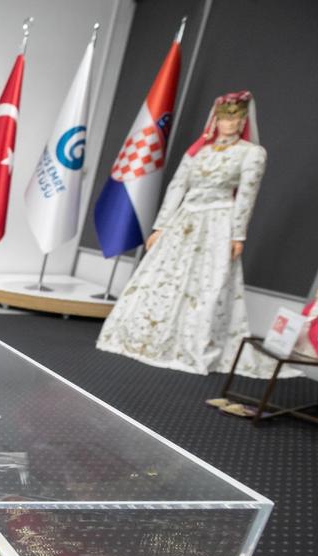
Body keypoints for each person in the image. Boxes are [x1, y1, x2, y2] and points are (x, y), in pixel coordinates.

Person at [96, 91, 268, 374]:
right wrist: (161, 226)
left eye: (235, 118)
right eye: (224, 118)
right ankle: (145, 336)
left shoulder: (251, 153)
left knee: (207, 282)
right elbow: (177, 186)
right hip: (184, 219)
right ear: (215, 119)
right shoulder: (199, 151)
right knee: (163, 278)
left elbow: (246, 196)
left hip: (217, 222)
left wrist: (238, 235)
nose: (229, 123)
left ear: (243, 120)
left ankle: (192, 342)